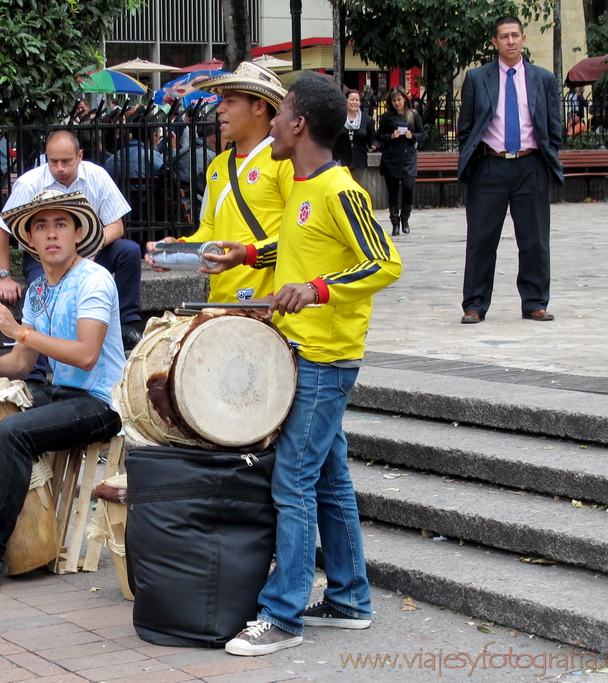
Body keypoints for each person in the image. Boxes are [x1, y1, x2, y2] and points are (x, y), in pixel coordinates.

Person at [201, 71, 401, 656]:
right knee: (330, 480)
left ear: (298, 124)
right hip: (302, 352)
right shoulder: (306, 186)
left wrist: (317, 290)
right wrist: (246, 252)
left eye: (280, 109)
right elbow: (296, 246)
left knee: (292, 482)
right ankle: (349, 599)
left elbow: (384, 264)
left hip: (324, 357)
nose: (273, 122)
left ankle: (283, 615)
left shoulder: (341, 189)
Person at [0, 190, 125, 597]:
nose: (51, 234)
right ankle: (22, 538)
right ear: (30, 240)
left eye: (60, 224)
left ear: (78, 233)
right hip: (61, 393)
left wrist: (18, 330)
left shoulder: (94, 279)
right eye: (41, 226)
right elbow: (22, 362)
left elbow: (87, 355)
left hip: (102, 402)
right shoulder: (39, 289)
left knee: (13, 431)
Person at [146, 61, 293, 303]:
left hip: (268, 302)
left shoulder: (284, 161)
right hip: (220, 298)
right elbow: (210, 230)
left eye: (230, 101)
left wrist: (249, 255)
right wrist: (176, 248)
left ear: (259, 106)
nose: (219, 109)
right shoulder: (218, 164)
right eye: (221, 100)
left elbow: (296, 235)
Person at [0, 130, 143, 352]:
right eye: (53, 161)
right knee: (42, 296)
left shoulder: (97, 176)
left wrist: (91, 248)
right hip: (43, 256)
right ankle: (35, 373)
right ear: (46, 157)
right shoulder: (29, 183)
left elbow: (116, 226)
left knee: (129, 251)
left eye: (66, 161)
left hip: (90, 249)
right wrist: (4, 276)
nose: (60, 168)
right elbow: (0, 229)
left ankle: (126, 324)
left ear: (80, 156)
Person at [457, 16, 563, 325]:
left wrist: (548, 157)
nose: (511, 41)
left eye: (515, 35)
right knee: (480, 240)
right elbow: (466, 129)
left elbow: (553, 127)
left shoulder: (542, 78)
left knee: (535, 240)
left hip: (531, 166)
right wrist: (475, 161)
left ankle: (535, 303)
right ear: (495, 42)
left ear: (524, 38)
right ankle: (474, 305)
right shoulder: (477, 78)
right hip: (490, 167)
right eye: (504, 36)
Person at [377, 86, 424, 236]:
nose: (397, 103)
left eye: (399, 99)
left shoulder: (413, 115)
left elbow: (422, 134)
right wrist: (391, 136)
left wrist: (413, 136)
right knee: (392, 192)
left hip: (408, 157)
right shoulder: (387, 117)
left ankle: (405, 219)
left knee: (409, 188)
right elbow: (379, 136)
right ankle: (395, 223)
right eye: (394, 100)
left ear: (404, 99)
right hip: (391, 157)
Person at [332, 90, 375, 185]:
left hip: (359, 161)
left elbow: (372, 138)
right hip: (340, 162)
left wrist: (374, 145)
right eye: (352, 99)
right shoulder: (338, 118)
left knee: (357, 191)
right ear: (346, 101)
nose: (354, 102)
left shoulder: (366, 119)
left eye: (357, 100)